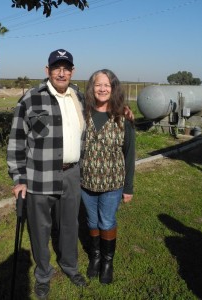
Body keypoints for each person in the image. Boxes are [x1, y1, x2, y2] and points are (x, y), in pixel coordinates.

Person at [7, 49, 87, 299]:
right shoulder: (31, 99)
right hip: (39, 177)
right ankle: (43, 274)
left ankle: (70, 267)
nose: (61, 72)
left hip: (72, 174)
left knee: (69, 225)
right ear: (48, 71)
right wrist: (19, 178)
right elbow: (17, 141)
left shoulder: (79, 97)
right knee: (40, 229)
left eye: (66, 67)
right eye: (56, 67)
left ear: (72, 71)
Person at [81, 69, 135, 285]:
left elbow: (129, 155)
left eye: (107, 85)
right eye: (98, 85)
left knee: (107, 221)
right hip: (86, 182)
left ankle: (107, 262)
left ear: (113, 89)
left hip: (113, 183)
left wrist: (128, 187)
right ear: (91, 88)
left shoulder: (123, 117)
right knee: (92, 221)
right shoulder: (82, 114)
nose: (102, 89)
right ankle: (94, 257)